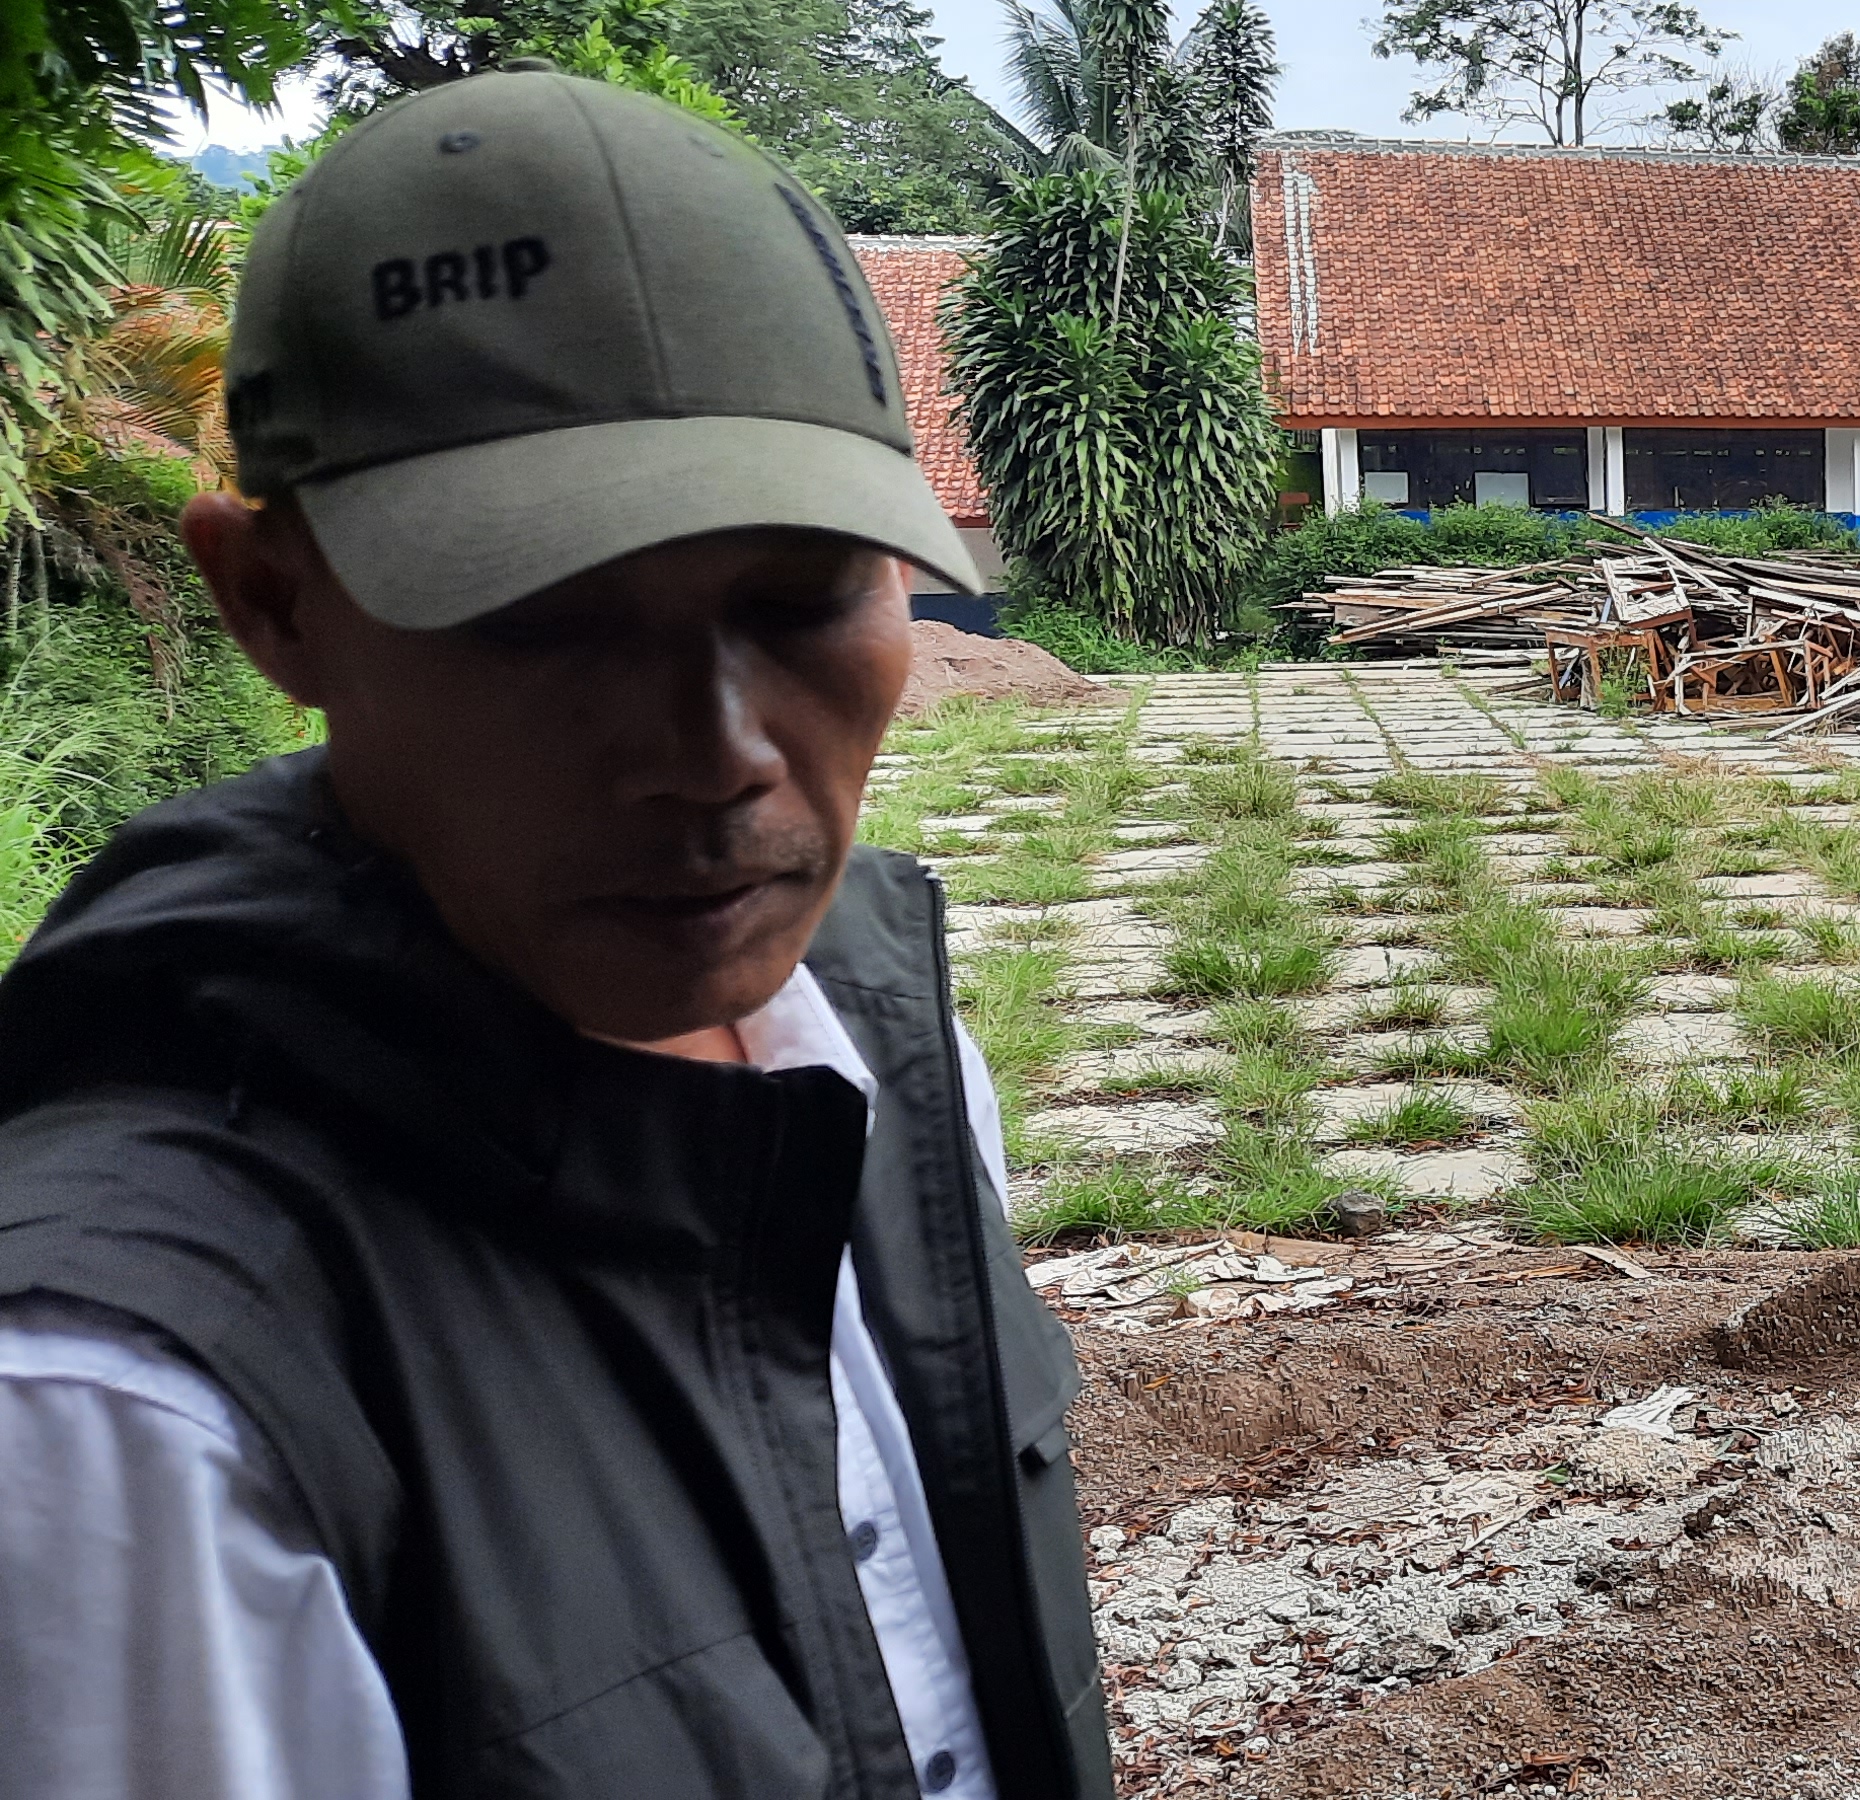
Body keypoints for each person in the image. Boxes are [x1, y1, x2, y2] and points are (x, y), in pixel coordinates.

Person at [0, 66, 1113, 1798]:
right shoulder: (122, 1420)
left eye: (797, 595)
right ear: (272, 603)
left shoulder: (884, 1050)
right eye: (540, 622)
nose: (713, 754)